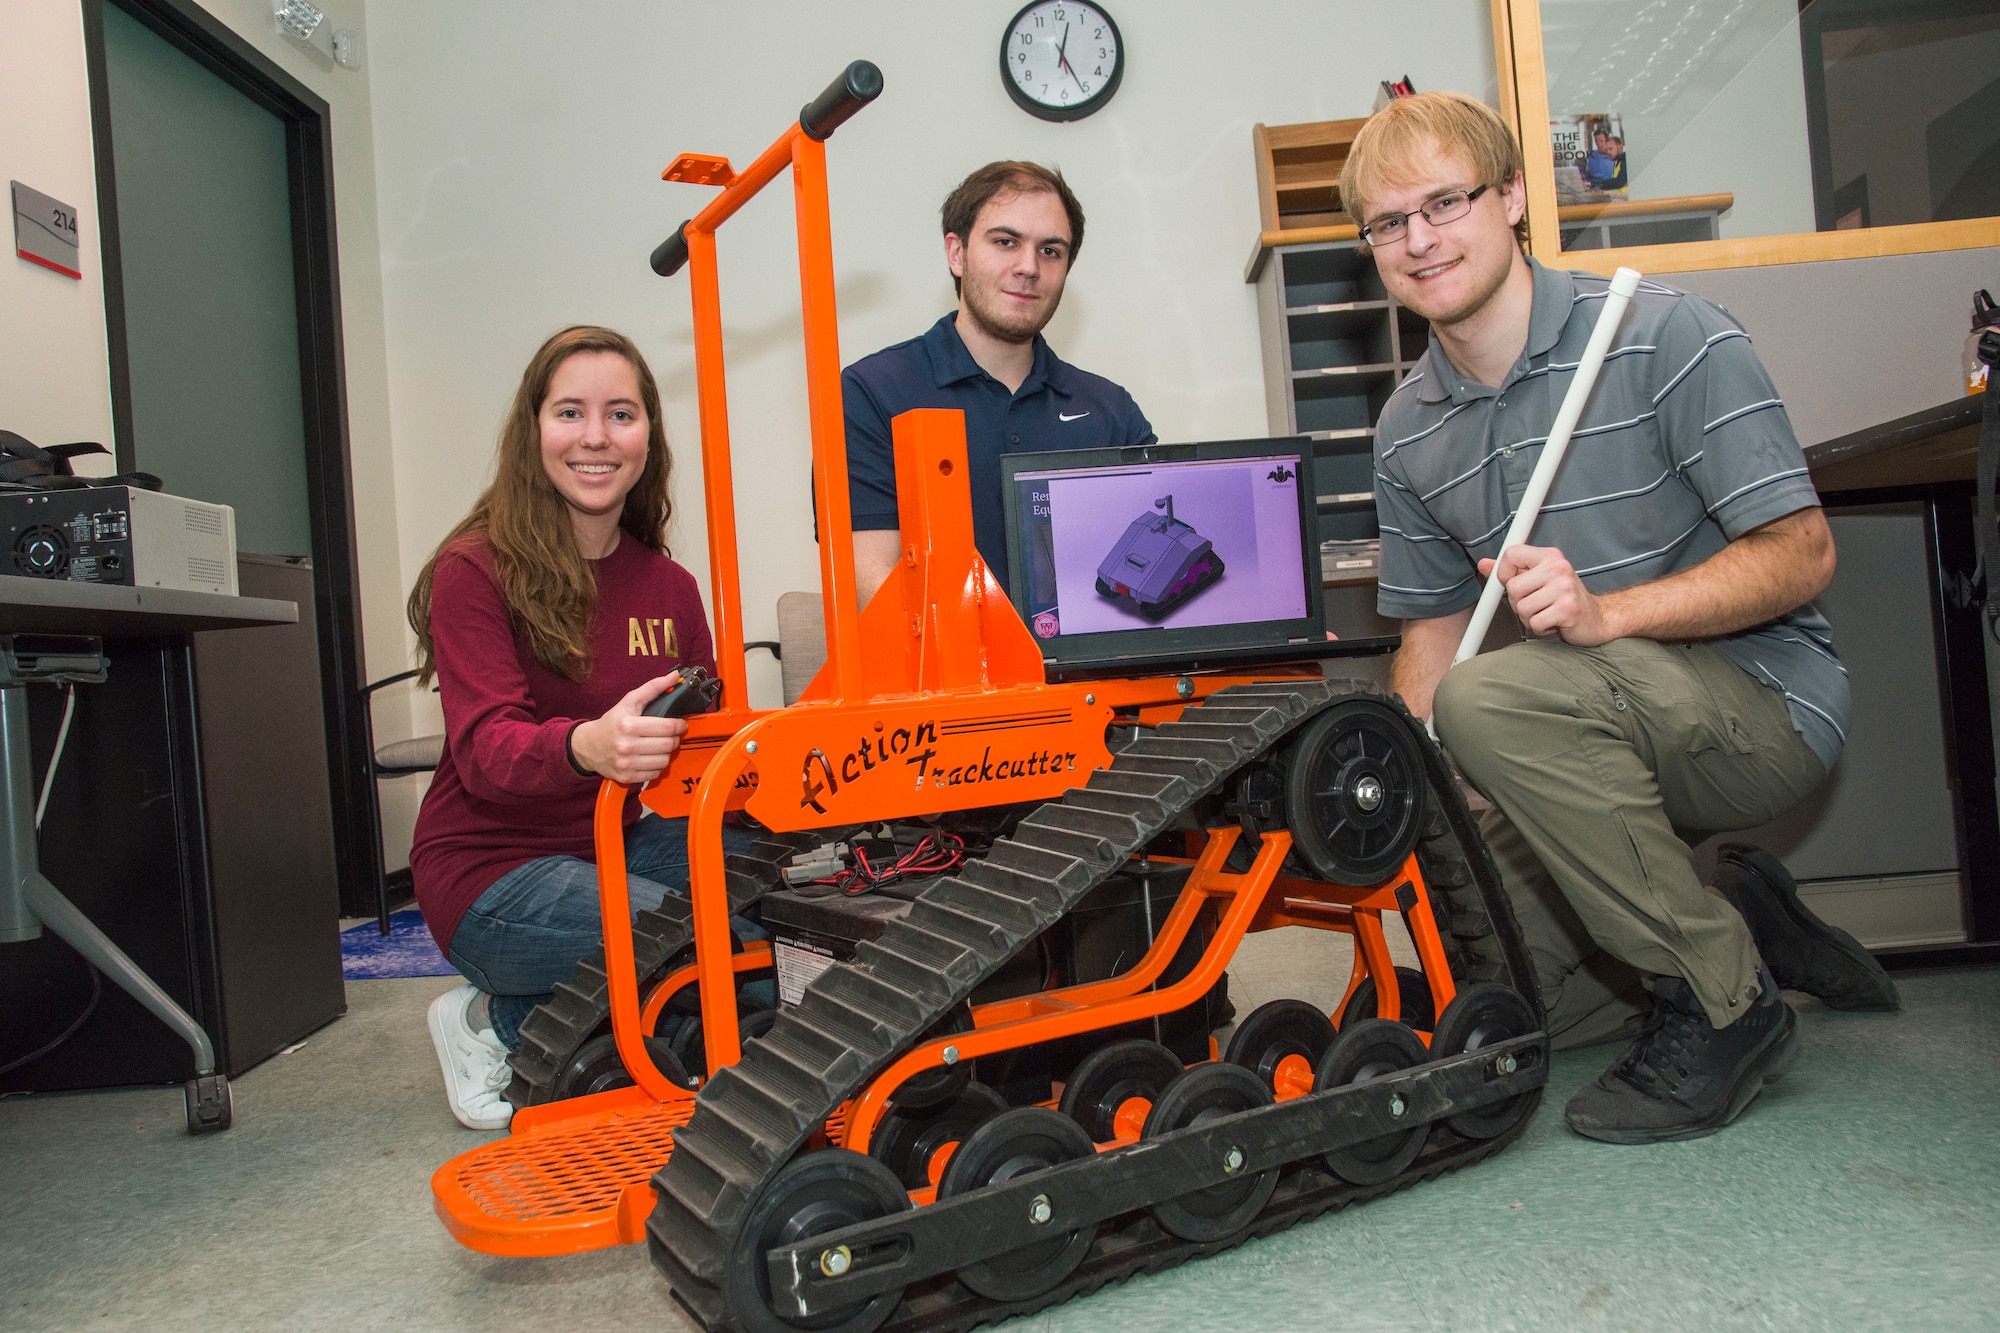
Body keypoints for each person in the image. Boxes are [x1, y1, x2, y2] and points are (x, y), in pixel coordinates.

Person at [1341, 93, 1897, 1145]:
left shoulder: (1661, 333)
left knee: (1490, 696)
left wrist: (1613, 612)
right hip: (1580, 727)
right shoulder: (1406, 430)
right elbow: (1425, 643)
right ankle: (1733, 919)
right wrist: (1414, 792)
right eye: (1385, 222)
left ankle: (1723, 1004)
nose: (1416, 240)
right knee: (1499, 998)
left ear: (1510, 199)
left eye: (1443, 202)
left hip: (1760, 706)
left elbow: (1801, 553)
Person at [408, 325, 750, 1130]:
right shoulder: (475, 569)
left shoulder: (670, 583)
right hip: (491, 868)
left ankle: (556, 1006)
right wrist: (584, 744)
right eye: (570, 412)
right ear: (534, 432)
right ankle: (489, 1023)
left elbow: (706, 744)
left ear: (647, 437)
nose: (596, 436)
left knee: (767, 912)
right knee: (684, 935)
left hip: (614, 838)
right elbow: (488, 750)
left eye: (621, 414)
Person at [841, 161, 1155, 605]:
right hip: (941, 670)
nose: (1028, 267)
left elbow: (1148, 558)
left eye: (1050, 250)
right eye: (1006, 242)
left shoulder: (1111, 408)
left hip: (1087, 671)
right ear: (956, 252)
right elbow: (872, 584)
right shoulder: (871, 392)